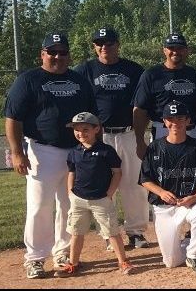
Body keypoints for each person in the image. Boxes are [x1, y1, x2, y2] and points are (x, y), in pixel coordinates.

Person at [6, 31, 97, 279]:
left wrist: (91, 149)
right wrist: (17, 152)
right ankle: (35, 258)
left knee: (70, 205)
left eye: (62, 52)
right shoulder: (28, 80)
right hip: (42, 150)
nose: (58, 56)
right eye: (52, 52)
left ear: (69, 55)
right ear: (42, 54)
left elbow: (92, 116)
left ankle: (63, 252)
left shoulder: (79, 81)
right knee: (39, 206)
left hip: (75, 151)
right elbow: (13, 118)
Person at [73, 26, 150, 250]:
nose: (104, 47)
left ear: (118, 44)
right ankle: (108, 233)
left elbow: (142, 105)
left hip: (128, 132)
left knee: (134, 184)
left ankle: (136, 232)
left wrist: (140, 138)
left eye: (109, 43)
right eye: (99, 43)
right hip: (99, 135)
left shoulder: (134, 70)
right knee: (103, 185)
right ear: (94, 46)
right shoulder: (85, 70)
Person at [138, 100, 196, 274]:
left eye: (180, 118)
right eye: (171, 119)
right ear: (164, 121)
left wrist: (195, 197)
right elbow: (145, 179)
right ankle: (187, 243)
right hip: (163, 207)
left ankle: (194, 255)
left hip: (188, 204)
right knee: (172, 262)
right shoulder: (155, 147)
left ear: (188, 120)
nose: (175, 123)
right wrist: (161, 192)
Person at [54, 112, 135, 277]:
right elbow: (72, 173)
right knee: (76, 232)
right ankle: (73, 264)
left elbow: (117, 172)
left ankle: (123, 262)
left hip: (101, 199)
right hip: (79, 199)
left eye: (85, 129)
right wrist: (70, 192)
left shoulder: (106, 150)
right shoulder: (74, 152)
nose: (80, 133)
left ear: (96, 129)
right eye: (77, 130)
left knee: (111, 231)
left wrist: (110, 192)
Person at [133, 32, 196, 149]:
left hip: (192, 130)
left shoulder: (193, 74)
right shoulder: (151, 74)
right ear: (164, 50)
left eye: (179, 48)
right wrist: (140, 141)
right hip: (163, 131)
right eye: (171, 48)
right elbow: (140, 110)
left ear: (186, 50)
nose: (175, 51)